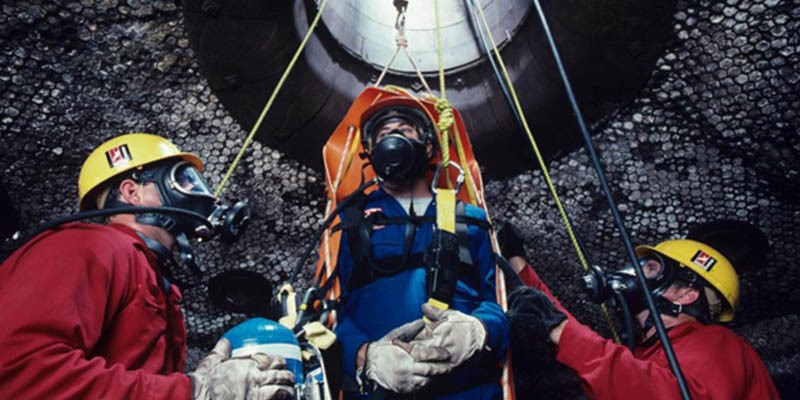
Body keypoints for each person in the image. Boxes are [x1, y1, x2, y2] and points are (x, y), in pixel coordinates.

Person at [0, 133, 294, 399]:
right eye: (185, 179)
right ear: (132, 192)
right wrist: (192, 391)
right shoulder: (84, 246)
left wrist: (199, 383)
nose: (202, 194)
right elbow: (17, 372)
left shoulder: (149, 278)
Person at [333, 97, 510, 399]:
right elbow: (336, 312)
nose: (393, 139)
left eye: (403, 130)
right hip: (380, 390)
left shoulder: (469, 219)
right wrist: (365, 356)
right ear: (373, 154)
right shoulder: (351, 222)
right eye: (383, 135)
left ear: (427, 147)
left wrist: (478, 329)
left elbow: (498, 303)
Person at [496, 221, 780, 399]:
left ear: (686, 294)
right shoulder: (649, 356)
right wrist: (518, 264)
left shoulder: (718, 344)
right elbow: (566, 328)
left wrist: (561, 331)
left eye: (651, 267)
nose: (635, 272)